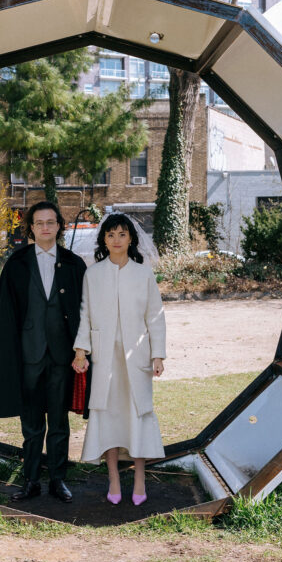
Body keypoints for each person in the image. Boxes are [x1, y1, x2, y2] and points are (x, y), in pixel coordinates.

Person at [0, 201, 87, 503]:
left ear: (59, 226)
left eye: (51, 222)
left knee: (58, 421)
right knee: (31, 424)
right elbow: (7, 316)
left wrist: (81, 351)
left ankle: (58, 479)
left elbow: (85, 311)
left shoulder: (74, 264)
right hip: (28, 356)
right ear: (30, 228)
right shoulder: (16, 265)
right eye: (39, 222)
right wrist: (12, 358)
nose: (45, 227)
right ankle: (31, 479)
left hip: (63, 356)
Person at [73, 213, 166, 506]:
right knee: (108, 417)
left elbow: (155, 316)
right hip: (104, 359)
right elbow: (85, 314)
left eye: (122, 235)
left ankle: (139, 478)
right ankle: (113, 477)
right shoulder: (93, 273)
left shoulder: (143, 273)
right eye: (110, 235)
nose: (116, 240)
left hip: (136, 358)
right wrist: (81, 350)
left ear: (131, 239)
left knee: (136, 415)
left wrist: (158, 354)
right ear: (103, 239)